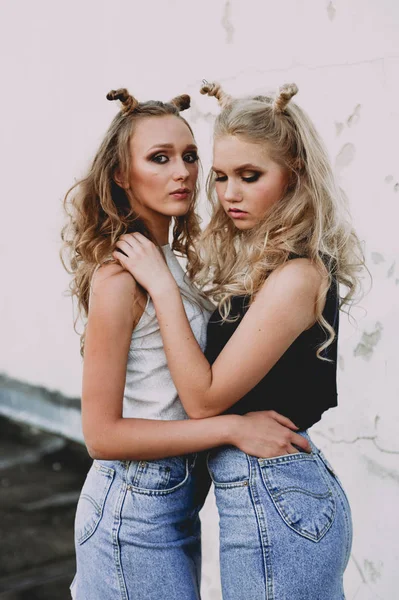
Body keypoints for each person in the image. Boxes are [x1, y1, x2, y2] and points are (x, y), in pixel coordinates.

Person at [112, 81, 365, 600]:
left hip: (274, 492)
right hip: (263, 487)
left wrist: (161, 282)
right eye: (222, 176)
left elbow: (203, 400)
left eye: (251, 176)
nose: (229, 194)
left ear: (295, 174)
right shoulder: (259, 261)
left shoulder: (297, 276)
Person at [61, 87, 310, 600]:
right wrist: (233, 428)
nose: (183, 172)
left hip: (171, 500)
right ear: (120, 176)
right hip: (133, 506)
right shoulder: (122, 276)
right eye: (159, 158)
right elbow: (100, 436)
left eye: (190, 156)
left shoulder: (165, 261)